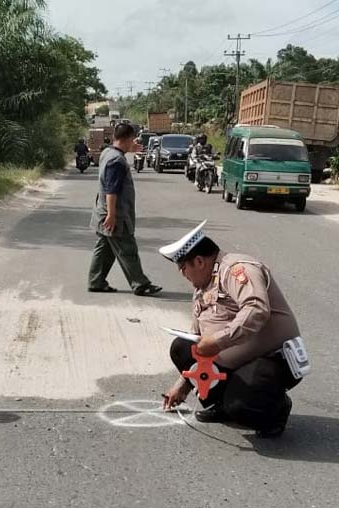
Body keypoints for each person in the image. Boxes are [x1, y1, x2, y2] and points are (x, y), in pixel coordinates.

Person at [160, 222, 305, 437]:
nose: (183, 274)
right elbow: (199, 337)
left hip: (271, 358)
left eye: (183, 268)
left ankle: (276, 410)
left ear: (199, 261)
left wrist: (218, 341)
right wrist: (184, 384)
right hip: (235, 359)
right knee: (183, 347)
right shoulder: (202, 288)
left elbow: (256, 309)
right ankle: (223, 404)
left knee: (241, 405)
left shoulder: (237, 269)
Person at [88, 123, 162, 296]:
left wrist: (130, 149)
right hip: (115, 215)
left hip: (102, 211)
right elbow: (111, 190)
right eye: (132, 140)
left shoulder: (107, 152)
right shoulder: (117, 161)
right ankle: (140, 284)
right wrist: (112, 215)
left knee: (105, 249)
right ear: (128, 138)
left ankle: (96, 281)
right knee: (127, 250)